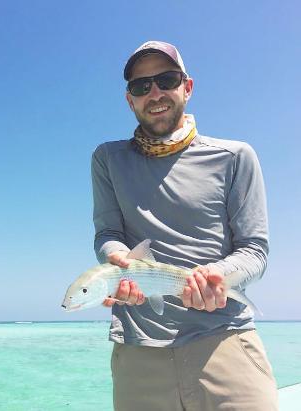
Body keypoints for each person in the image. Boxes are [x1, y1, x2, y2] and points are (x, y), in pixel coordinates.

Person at [91, 40, 278, 410]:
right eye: (141, 86)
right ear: (130, 100)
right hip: (137, 350)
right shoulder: (107, 159)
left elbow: (255, 250)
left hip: (225, 338)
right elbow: (108, 233)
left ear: (187, 88)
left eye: (166, 79)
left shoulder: (235, 156)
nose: (154, 92)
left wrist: (216, 276)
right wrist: (117, 259)